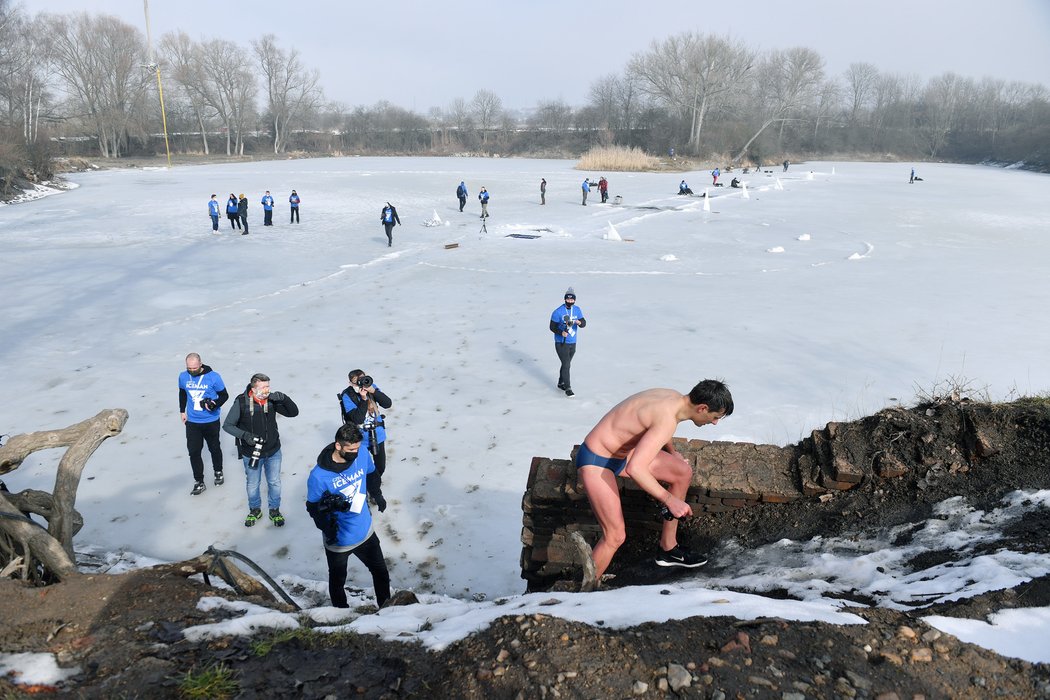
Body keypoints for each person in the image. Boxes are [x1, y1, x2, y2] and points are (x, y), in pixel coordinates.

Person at [576, 379, 734, 584]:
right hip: (597, 461)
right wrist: (670, 500)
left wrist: (673, 452)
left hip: (620, 454)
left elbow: (657, 429)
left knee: (682, 472)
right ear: (702, 408)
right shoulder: (667, 419)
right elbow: (636, 469)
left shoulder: (673, 398)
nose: (714, 423)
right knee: (615, 536)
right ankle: (581, 595)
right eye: (715, 417)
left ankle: (668, 549)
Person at [306, 423, 391, 609]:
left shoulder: (361, 454)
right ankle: (341, 614)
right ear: (338, 446)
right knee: (337, 581)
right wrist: (328, 528)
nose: (356, 452)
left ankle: (387, 611)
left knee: (381, 573)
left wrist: (377, 495)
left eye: (358, 447)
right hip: (339, 540)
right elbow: (312, 508)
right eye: (351, 449)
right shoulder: (319, 476)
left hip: (365, 531)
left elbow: (371, 475)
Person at [222, 373, 299, 527]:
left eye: (268, 386)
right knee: (253, 484)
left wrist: (284, 398)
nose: (267, 390)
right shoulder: (241, 402)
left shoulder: (271, 400)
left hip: (273, 450)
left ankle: (274, 510)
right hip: (252, 453)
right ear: (253, 388)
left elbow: (293, 412)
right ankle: (255, 510)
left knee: (274, 482)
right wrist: (245, 436)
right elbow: (227, 425)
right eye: (263, 387)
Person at [178, 353, 228, 495]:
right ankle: (199, 481)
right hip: (192, 422)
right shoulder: (183, 376)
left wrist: (214, 404)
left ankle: (218, 471)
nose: (192, 371)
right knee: (194, 452)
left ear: (200, 364)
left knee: (214, 448)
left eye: (194, 368)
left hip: (211, 420)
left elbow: (224, 395)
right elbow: (182, 393)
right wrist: (182, 411)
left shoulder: (213, 377)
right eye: (189, 368)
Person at [339, 369, 393, 482]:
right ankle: (364, 487)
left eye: (362, 379)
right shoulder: (347, 395)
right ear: (351, 383)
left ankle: (373, 487)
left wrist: (373, 391)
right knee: (361, 469)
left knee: (380, 467)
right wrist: (363, 399)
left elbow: (388, 404)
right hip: (359, 439)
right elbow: (358, 419)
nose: (361, 383)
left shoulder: (371, 386)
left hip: (377, 435)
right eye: (357, 381)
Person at [550, 287, 586, 397]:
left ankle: (561, 382)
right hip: (561, 342)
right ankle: (568, 388)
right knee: (566, 364)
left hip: (572, 341)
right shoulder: (558, 312)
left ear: (574, 300)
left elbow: (584, 323)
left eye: (572, 300)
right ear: (565, 299)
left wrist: (580, 322)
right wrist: (561, 333)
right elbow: (552, 327)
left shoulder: (577, 310)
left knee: (566, 364)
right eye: (568, 299)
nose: (570, 301)